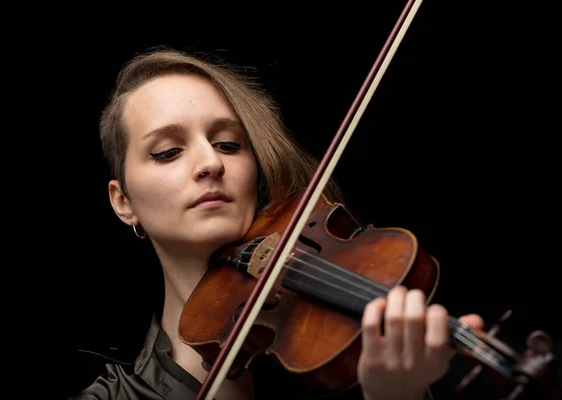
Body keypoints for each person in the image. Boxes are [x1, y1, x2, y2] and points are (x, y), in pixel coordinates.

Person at [69, 47, 484, 400]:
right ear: (124, 203)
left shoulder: (341, 370)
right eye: (167, 151)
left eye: (229, 144)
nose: (211, 163)